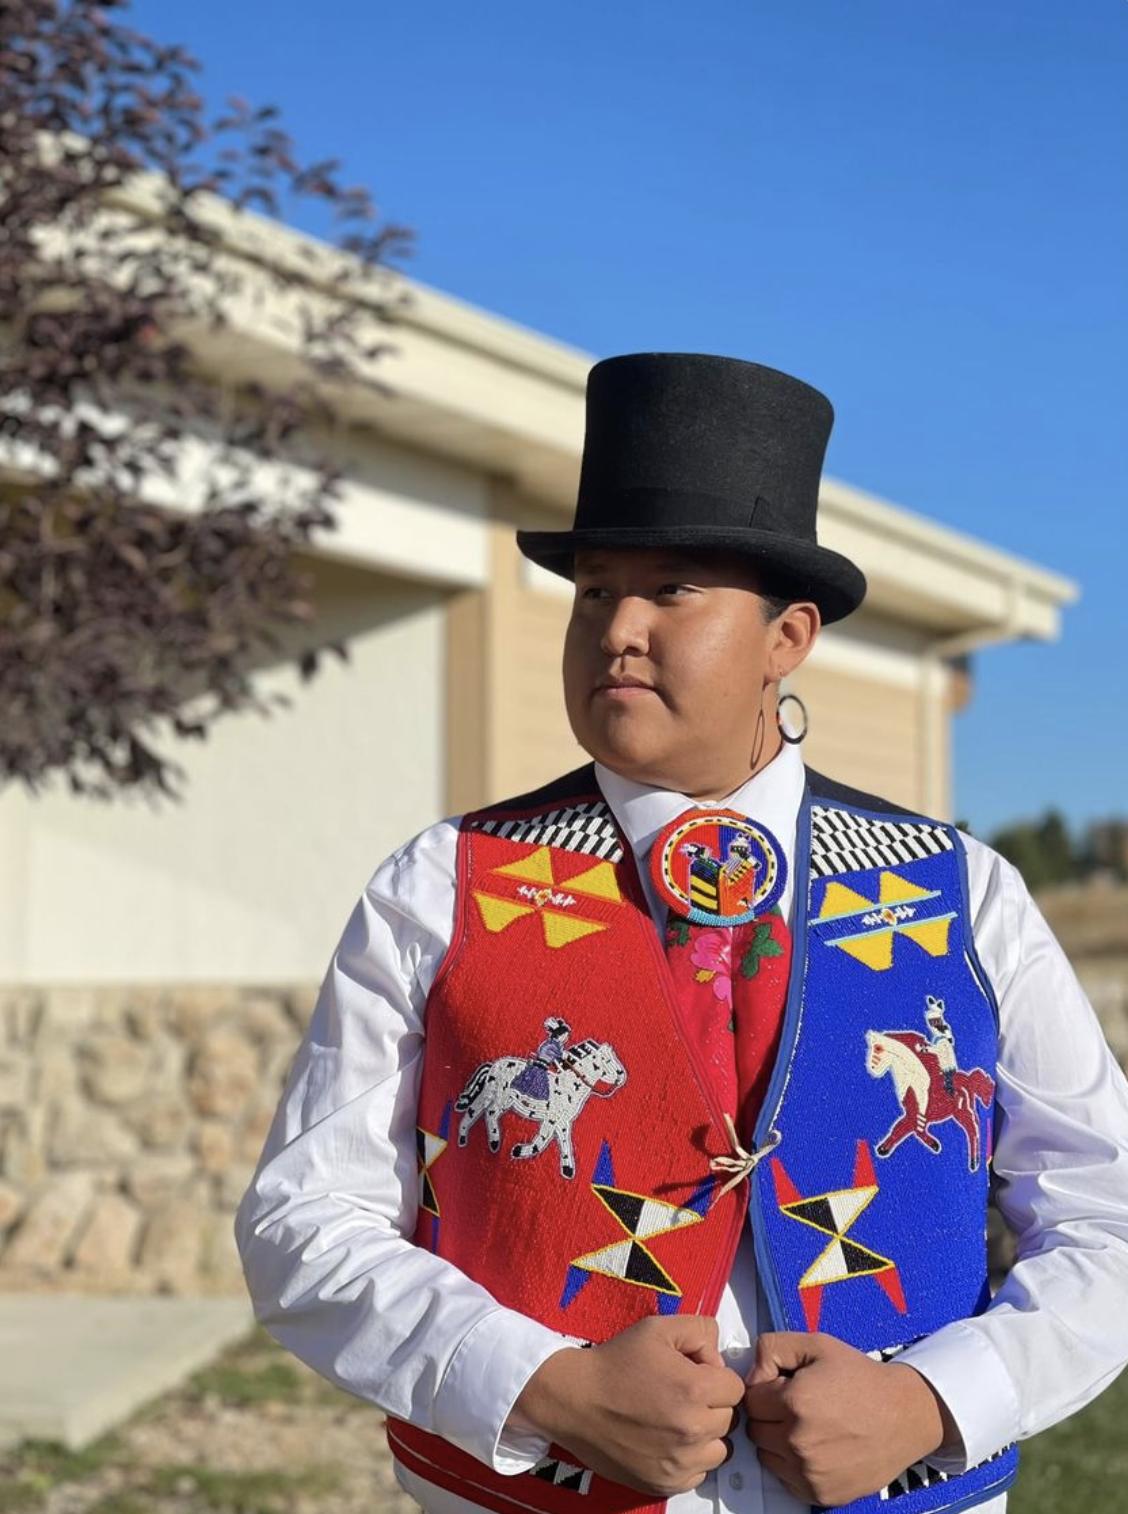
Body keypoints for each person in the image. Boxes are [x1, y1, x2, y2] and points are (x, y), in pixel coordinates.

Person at [235, 353, 1128, 1514]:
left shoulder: (960, 891)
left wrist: (934, 1402)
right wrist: (543, 1384)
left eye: (672, 591)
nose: (618, 627)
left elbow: (1108, 1214)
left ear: (787, 637)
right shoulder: (446, 884)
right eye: (595, 590)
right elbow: (304, 1221)